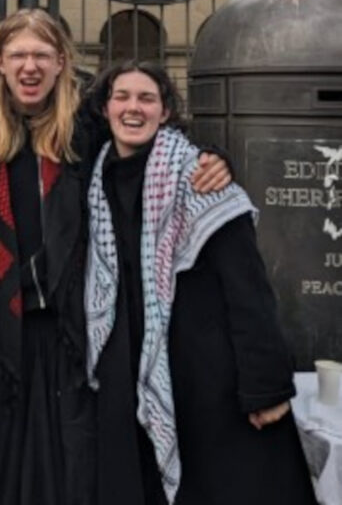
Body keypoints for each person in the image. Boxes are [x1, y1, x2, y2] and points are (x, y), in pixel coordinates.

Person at [0, 9, 231, 505]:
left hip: (74, 333)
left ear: (62, 62)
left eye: (42, 55)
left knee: (75, 466)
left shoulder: (86, 132)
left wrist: (213, 156)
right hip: (2, 331)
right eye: (18, 54)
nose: (30, 66)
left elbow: (152, 138)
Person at [84, 61, 316, 505]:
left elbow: (249, 289)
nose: (134, 108)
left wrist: (265, 387)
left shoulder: (201, 181)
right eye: (122, 97)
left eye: (147, 98)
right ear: (105, 108)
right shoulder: (97, 177)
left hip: (212, 383)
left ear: (166, 111)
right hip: (132, 371)